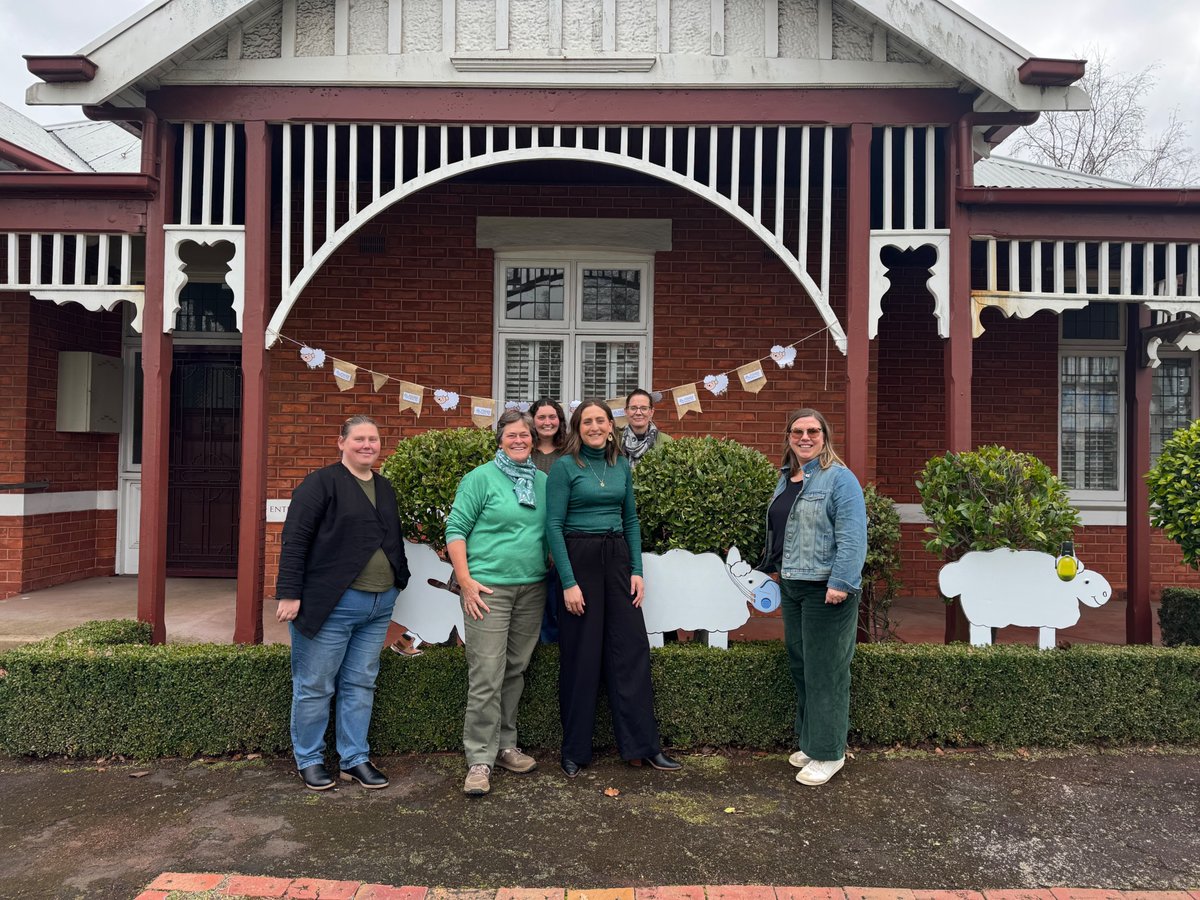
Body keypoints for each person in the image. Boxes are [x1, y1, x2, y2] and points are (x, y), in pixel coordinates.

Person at [276, 415, 411, 792]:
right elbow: (295, 539)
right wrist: (289, 592)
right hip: (331, 605)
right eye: (359, 439)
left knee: (360, 684)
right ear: (341, 443)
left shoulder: (384, 487)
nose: (367, 445)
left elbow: (391, 537)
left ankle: (354, 759)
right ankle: (310, 759)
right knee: (316, 685)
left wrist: (399, 580)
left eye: (374, 439)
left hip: (378, 606)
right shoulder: (320, 484)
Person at [546, 400, 681, 777]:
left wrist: (636, 569)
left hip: (618, 559)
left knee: (631, 652)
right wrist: (568, 582)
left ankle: (643, 747)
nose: (593, 426)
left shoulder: (619, 463)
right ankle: (574, 750)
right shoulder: (564, 467)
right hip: (580, 559)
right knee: (581, 656)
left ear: (610, 426)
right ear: (577, 427)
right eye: (586, 421)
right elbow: (553, 526)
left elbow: (631, 518)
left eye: (600, 420)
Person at [445, 409, 549, 796]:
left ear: (533, 440)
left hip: (531, 588)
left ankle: (505, 745)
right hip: (487, 590)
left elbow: (549, 531)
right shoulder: (479, 479)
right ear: (500, 440)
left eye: (525, 434)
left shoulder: (542, 482)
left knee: (515, 669)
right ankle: (478, 760)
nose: (519, 440)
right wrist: (467, 582)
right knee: (486, 673)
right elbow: (455, 530)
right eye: (512, 435)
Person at [762, 408, 866, 787]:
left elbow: (853, 536)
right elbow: (783, 530)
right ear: (788, 436)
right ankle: (812, 741)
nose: (804, 437)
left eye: (812, 431)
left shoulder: (840, 479)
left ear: (825, 436)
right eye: (797, 431)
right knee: (802, 664)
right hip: (793, 584)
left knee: (826, 671)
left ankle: (829, 752)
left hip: (827, 589)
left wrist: (841, 581)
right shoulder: (785, 479)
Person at [529, 397, 567, 644]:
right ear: (532, 421)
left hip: (561, 534)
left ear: (560, 421)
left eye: (552, 417)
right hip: (529, 533)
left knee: (557, 603)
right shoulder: (523, 450)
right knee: (533, 606)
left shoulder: (569, 454)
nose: (547, 422)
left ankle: (554, 651)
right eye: (541, 417)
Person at [620, 388, 672, 467]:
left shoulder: (667, 442)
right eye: (633, 408)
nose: (638, 413)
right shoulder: (615, 440)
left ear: (651, 412)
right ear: (626, 411)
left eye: (644, 408)